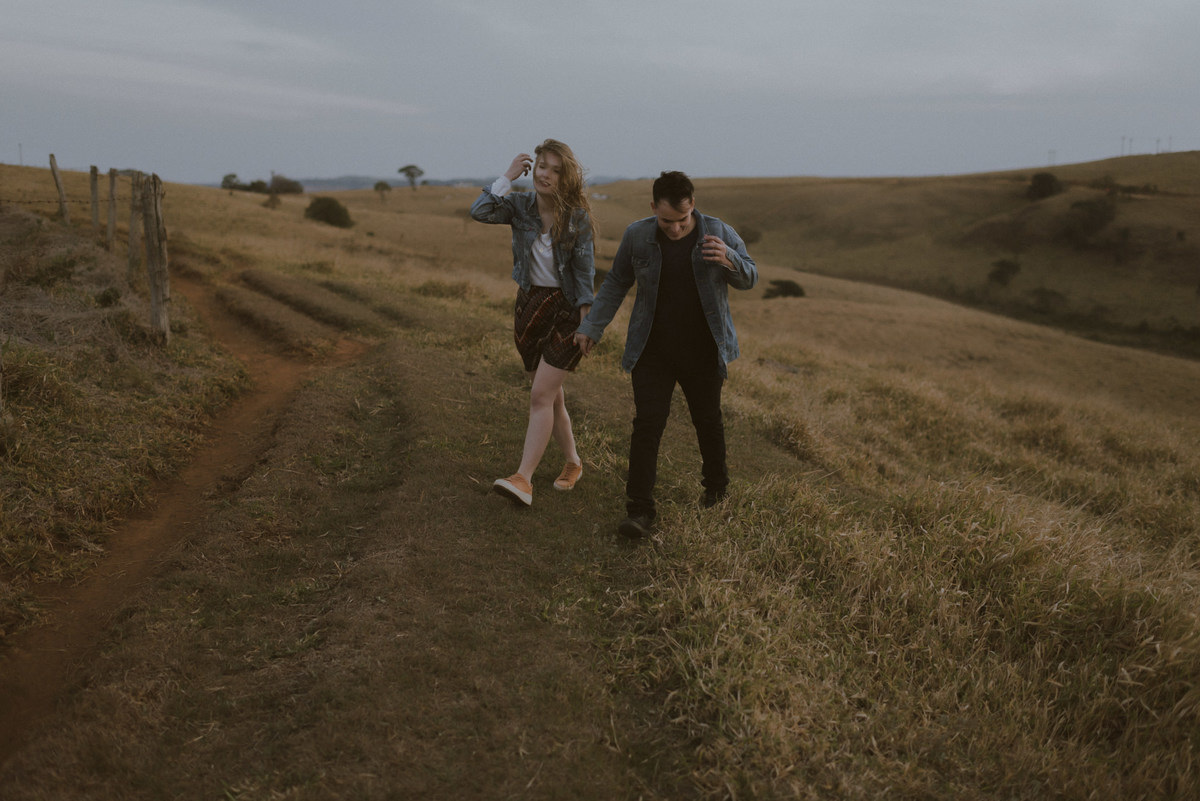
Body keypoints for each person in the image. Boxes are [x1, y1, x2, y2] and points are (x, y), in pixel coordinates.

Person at [575, 170, 757, 538]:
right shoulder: (637, 235)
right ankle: (639, 512)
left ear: (693, 206)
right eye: (666, 221)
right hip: (652, 350)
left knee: (708, 421)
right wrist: (592, 326)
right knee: (647, 425)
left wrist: (729, 259)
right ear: (653, 207)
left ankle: (716, 493)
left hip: (703, 350)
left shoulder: (718, 232)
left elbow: (750, 277)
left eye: (683, 220)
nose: (675, 228)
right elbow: (616, 283)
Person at [470, 139, 596, 507]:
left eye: (556, 170)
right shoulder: (519, 206)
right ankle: (573, 462)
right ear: (533, 168)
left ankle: (523, 479)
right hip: (529, 307)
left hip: (566, 311)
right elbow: (480, 211)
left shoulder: (577, 218)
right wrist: (508, 176)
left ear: (565, 177)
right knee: (550, 396)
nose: (547, 175)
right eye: (542, 166)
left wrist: (587, 323)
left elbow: (584, 273)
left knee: (540, 395)